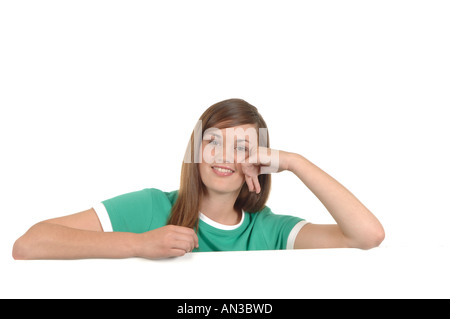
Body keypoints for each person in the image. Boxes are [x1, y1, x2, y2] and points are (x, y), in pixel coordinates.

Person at [12, 98, 384, 260]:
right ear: (196, 151)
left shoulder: (269, 230)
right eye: (213, 142)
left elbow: (367, 236)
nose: (223, 156)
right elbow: (30, 243)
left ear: (259, 160)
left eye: (241, 147)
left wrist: (295, 161)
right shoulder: (153, 206)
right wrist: (140, 244)